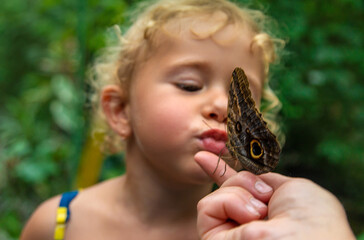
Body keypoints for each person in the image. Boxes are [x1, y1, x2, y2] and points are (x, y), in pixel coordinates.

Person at [20, 0, 355, 239]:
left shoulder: (255, 232)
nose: (222, 107)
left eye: (245, 102)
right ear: (121, 110)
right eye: (190, 85)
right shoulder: (58, 224)